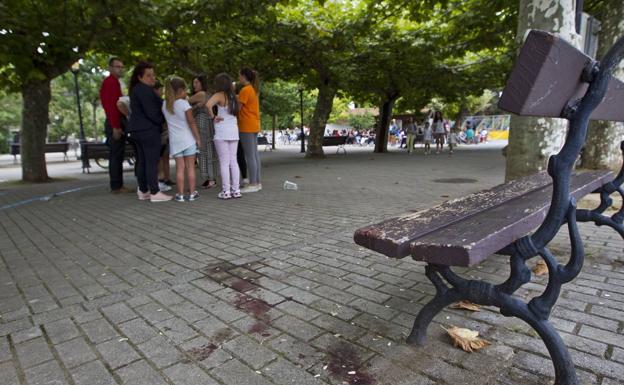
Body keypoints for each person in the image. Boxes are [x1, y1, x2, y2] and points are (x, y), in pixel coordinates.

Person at [127, 62, 171, 202]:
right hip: (148, 130)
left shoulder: (136, 89)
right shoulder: (145, 90)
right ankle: (154, 192)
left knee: (142, 161)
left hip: (137, 130)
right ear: (140, 77)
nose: (153, 78)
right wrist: (162, 121)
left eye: (153, 75)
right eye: (148, 76)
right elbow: (152, 113)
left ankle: (144, 190)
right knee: (151, 161)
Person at [162, 76, 201, 202]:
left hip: (175, 141)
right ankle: (192, 193)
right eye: (185, 90)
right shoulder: (184, 104)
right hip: (188, 140)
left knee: (179, 168)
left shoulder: (165, 105)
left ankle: (180, 194)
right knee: (190, 168)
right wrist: (198, 138)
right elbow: (192, 122)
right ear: (180, 90)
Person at [206, 73, 241, 199]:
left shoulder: (218, 95)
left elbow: (207, 105)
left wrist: (213, 117)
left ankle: (226, 191)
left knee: (224, 162)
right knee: (233, 161)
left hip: (222, 131)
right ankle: (236, 190)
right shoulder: (234, 97)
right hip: (234, 131)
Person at [99, 57, 131, 193]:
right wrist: (115, 127)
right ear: (110, 68)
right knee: (116, 155)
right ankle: (117, 185)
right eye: (117, 66)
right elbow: (111, 107)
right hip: (115, 122)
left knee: (117, 154)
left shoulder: (114, 82)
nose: (120, 69)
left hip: (116, 121)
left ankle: (117, 185)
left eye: (122, 67)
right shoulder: (110, 83)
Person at [189, 75, 219, 189]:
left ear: (202, 83)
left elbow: (185, 103)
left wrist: (195, 106)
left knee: (203, 152)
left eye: (196, 82)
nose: (194, 85)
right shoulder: (207, 94)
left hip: (202, 125)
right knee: (209, 151)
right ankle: (211, 178)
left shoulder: (201, 94)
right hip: (209, 125)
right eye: (193, 82)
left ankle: (209, 178)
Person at [237, 68, 262, 193]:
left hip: (246, 125)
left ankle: (252, 183)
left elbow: (237, 108)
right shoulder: (252, 89)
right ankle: (257, 182)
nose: (238, 78)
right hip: (254, 124)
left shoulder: (245, 90)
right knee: (255, 155)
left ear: (244, 76)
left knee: (250, 156)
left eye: (239, 75)